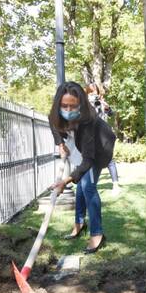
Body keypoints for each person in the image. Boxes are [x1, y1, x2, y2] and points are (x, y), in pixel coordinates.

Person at [49, 81, 117, 254]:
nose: (69, 110)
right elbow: (52, 122)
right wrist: (59, 144)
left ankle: (97, 234)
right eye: (64, 106)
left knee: (88, 187)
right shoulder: (55, 113)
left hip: (99, 149)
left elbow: (88, 161)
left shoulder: (88, 121)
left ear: (81, 104)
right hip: (79, 147)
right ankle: (79, 223)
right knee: (82, 185)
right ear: (58, 104)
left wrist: (66, 180)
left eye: (74, 106)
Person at [86, 83, 122, 196]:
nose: (93, 94)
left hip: (104, 135)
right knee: (92, 159)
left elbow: (111, 114)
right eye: (90, 92)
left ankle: (115, 184)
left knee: (109, 159)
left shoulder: (102, 103)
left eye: (94, 92)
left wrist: (107, 107)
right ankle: (92, 183)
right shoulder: (85, 104)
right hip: (91, 136)